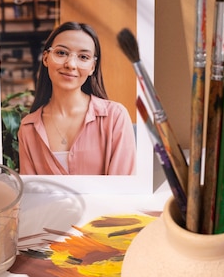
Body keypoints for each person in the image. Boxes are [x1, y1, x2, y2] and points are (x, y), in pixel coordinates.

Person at [18, 21, 137, 175]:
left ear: (92, 67)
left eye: (83, 56)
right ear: (46, 58)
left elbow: (123, 190)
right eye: (61, 53)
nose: (71, 64)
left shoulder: (115, 117)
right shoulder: (28, 127)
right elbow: (32, 192)